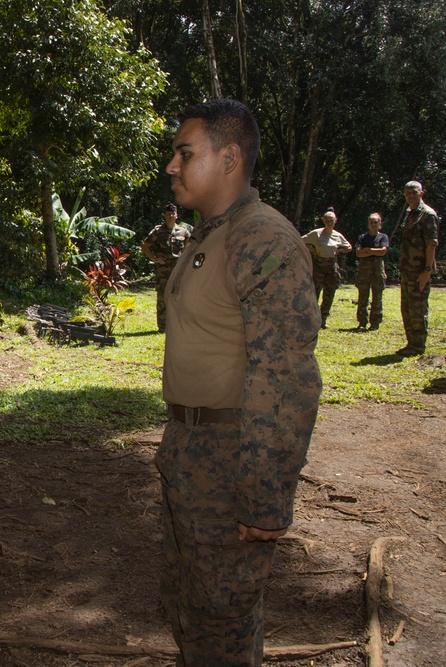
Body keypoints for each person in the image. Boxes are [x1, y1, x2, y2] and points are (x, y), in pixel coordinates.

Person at [159, 98, 322, 666]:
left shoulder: (263, 238)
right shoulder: (213, 234)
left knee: (224, 619)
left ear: (228, 159)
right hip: (191, 449)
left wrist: (264, 494)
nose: (172, 166)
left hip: (231, 459)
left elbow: (285, 377)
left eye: (185, 153)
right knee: (193, 608)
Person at [396, 181, 439, 356]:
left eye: (414, 193)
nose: (410, 196)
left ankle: (418, 345)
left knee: (418, 308)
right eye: (407, 193)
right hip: (408, 269)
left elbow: (431, 244)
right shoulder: (409, 213)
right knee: (407, 307)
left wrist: (427, 271)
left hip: (420, 270)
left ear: (421, 193)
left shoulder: (427, 214)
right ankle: (411, 343)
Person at [141, 203, 192, 331]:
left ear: (176, 215)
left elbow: (191, 246)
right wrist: (154, 259)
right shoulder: (158, 231)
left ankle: (177, 324)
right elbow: (145, 245)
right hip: (163, 270)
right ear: (164, 216)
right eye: (168, 214)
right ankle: (163, 326)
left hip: (178, 269)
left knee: (178, 296)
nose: (170, 216)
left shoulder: (183, 231)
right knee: (163, 297)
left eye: (172, 214)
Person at [301, 208, 352, 329]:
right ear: (323, 221)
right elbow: (301, 240)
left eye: (332, 220)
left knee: (330, 292)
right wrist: (312, 250)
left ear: (335, 221)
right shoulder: (316, 234)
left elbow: (349, 247)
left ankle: (323, 319)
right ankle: (312, 319)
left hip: (331, 266)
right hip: (319, 265)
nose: (329, 223)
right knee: (315, 292)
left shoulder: (337, 235)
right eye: (327, 220)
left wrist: (339, 250)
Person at [354, 212, 390, 330]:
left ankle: (375, 323)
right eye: (371, 222)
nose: (373, 224)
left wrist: (369, 250)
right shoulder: (362, 237)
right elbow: (358, 253)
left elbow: (383, 251)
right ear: (368, 223)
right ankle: (362, 322)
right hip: (364, 270)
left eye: (375, 222)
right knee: (362, 297)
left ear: (380, 223)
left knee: (377, 296)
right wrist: (375, 251)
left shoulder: (383, 237)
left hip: (377, 270)